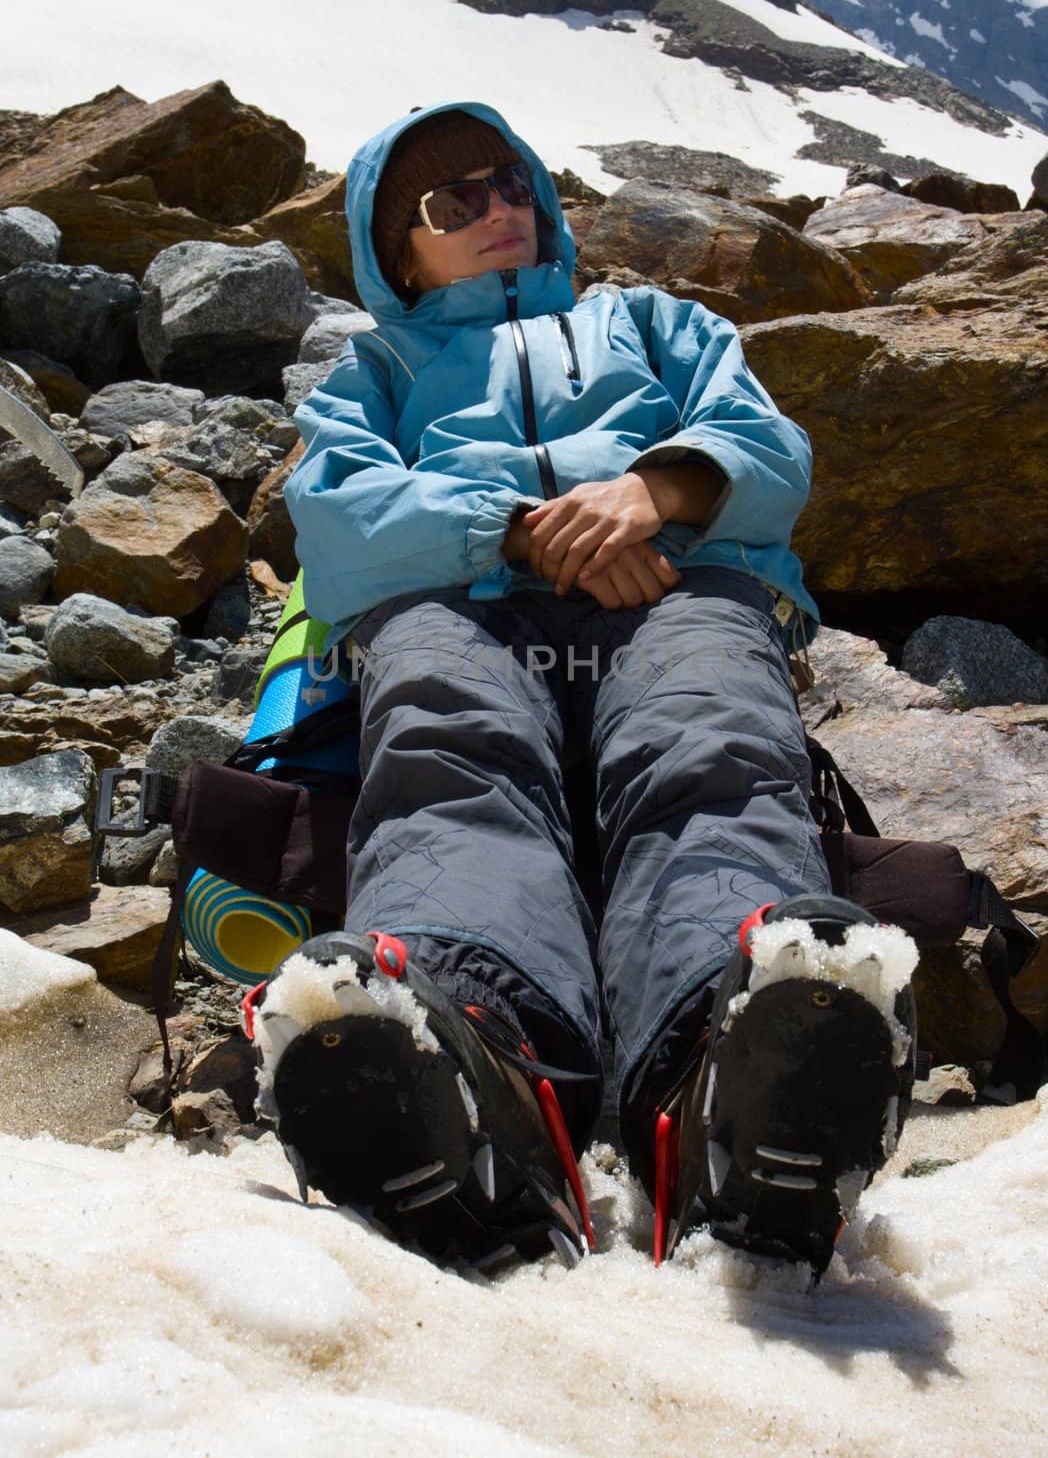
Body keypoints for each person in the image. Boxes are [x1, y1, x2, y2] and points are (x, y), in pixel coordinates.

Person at [251, 102, 917, 1278]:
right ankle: (475, 1042)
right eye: (451, 203)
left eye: (510, 184)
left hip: (672, 578)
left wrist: (651, 493)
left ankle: (720, 1060)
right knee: (450, 756)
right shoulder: (373, 371)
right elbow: (335, 525)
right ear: (394, 251)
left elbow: (765, 449)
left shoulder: (652, 322)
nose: (497, 209)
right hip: (464, 600)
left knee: (708, 739)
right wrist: (518, 532)